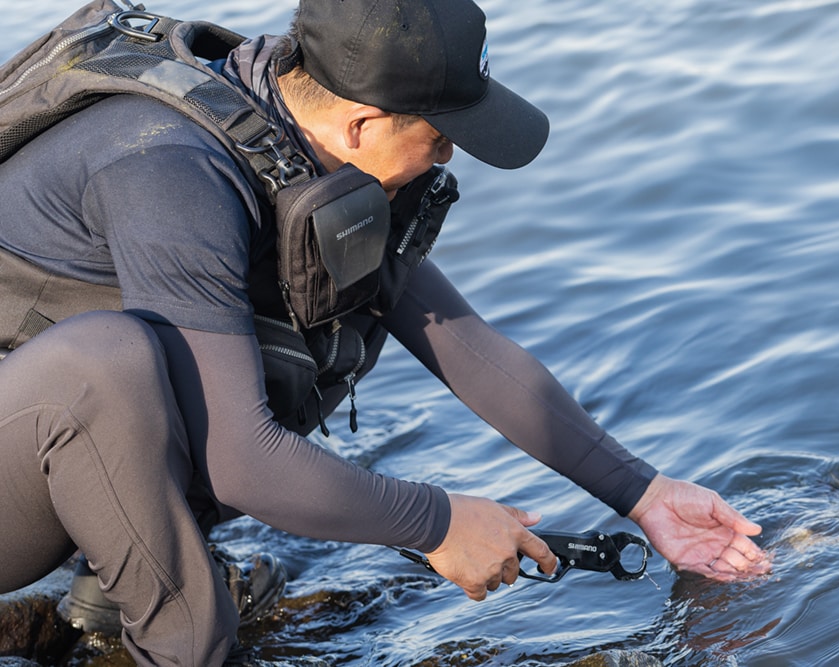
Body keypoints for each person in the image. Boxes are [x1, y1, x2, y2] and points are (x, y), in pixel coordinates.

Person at [0, 0, 770, 664]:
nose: (449, 156)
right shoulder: (170, 169)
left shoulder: (291, 131)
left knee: (247, 350)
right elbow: (241, 461)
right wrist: (438, 522)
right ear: (362, 123)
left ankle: (118, 584)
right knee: (106, 368)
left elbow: (462, 341)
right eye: (440, 137)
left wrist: (644, 494)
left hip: (44, 453)